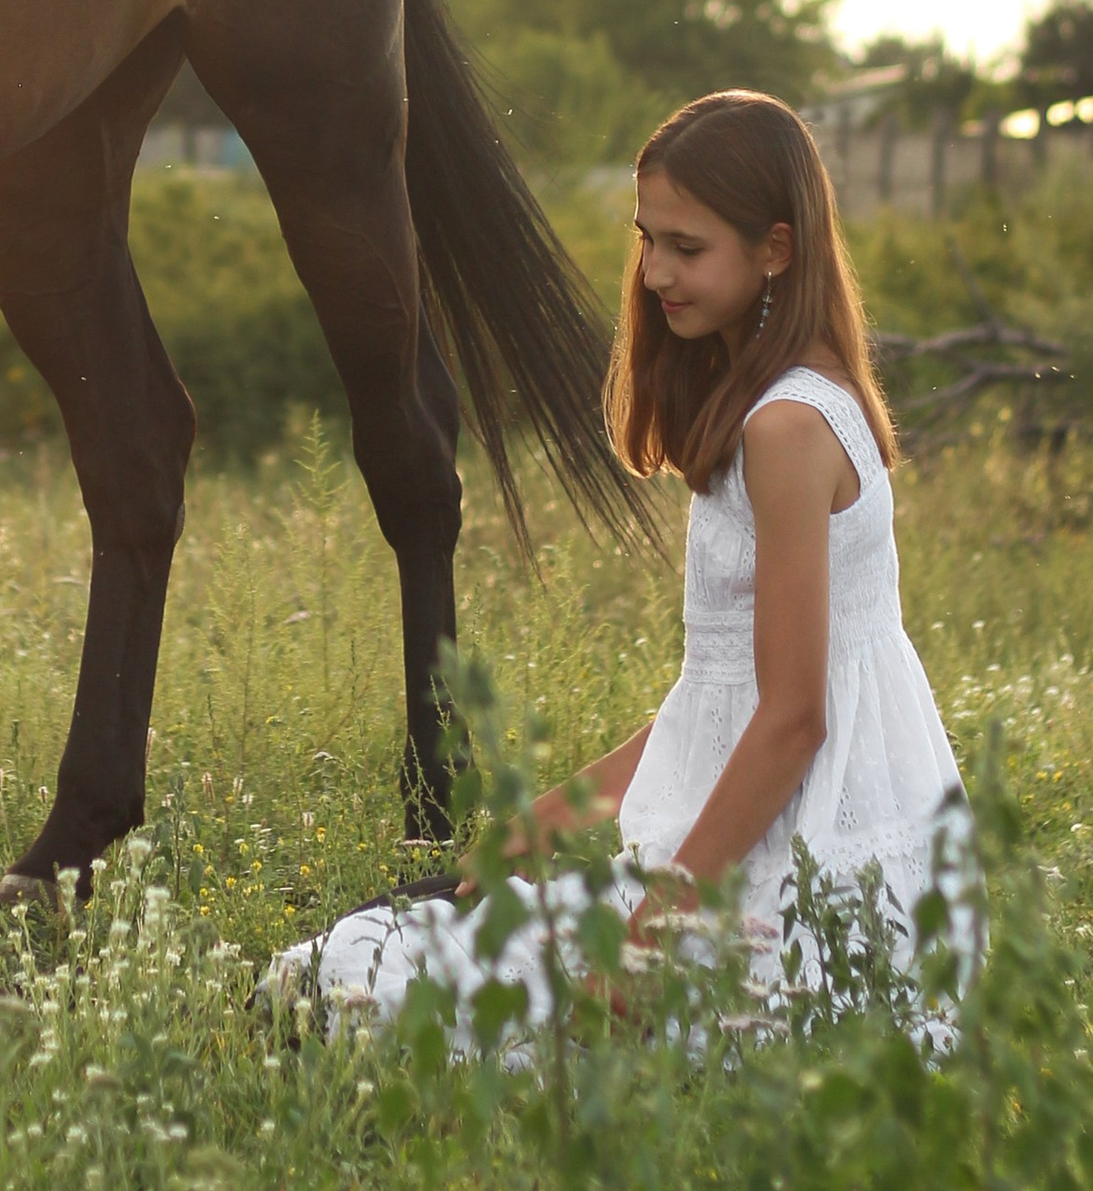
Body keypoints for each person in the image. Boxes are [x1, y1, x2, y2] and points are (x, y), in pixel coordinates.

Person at [274, 88, 971, 1037]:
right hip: (767, 840)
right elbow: (718, 699)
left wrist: (653, 927)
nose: (654, 273)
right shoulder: (773, 401)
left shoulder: (788, 428)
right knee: (386, 956)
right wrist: (548, 820)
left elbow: (796, 719)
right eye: (648, 239)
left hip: (814, 867)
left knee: (399, 992)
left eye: (688, 248)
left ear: (777, 249)